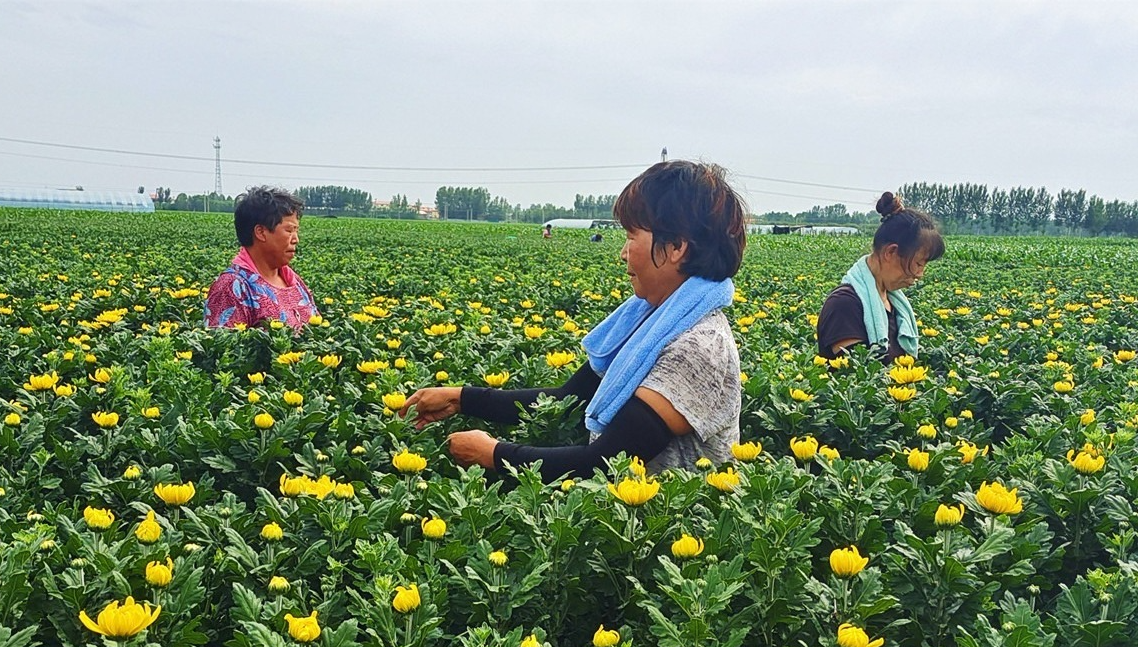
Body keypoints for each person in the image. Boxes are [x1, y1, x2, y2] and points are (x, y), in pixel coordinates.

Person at [401, 160, 746, 481]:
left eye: (630, 237)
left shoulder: (699, 348)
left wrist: (493, 454)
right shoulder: (653, 321)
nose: (623, 253)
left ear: (676, 248)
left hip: (666, 534)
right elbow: (568, 397)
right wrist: (462, 398)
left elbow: (607, 462)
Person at [815, 192, 944, 363]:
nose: (920, 274)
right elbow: (858, 377)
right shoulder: (844, 304)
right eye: (919, 264)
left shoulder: (894, 302)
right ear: (890, 252)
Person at [204, 186, 319, 330]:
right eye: (289, 230)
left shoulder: (293, 280)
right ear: (261, 232)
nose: (296, 239)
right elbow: (223, 348)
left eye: (296, 231)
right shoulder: (231, 287)